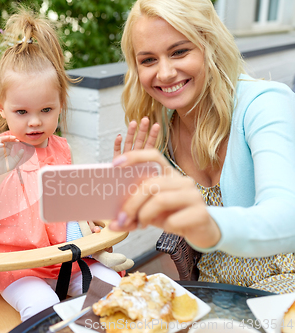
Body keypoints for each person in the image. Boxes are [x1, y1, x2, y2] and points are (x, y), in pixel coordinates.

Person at [109, 0, 295, 293]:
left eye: (179, 51)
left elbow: (287, 215)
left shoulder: (265, 102)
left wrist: (210, 225)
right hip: (215, 289)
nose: (166, 73)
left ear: (210, 45)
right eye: (148, 60)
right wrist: (126, 197)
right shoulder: (161, 134)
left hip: (285, 276)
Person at [0, 9, 125, 321]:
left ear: (60, 105)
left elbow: (65, 206)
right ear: (2, 108)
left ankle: (94, 327)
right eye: (21, 112)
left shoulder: (61, 148)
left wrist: (87, 222)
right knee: (43, 309)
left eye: (46, 109)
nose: (35, 122)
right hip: (17, 268)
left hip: (63, 262)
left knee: (112, 288)